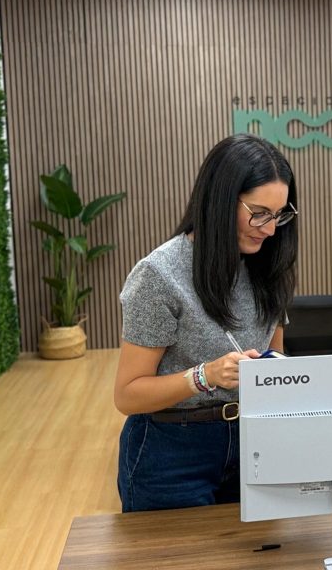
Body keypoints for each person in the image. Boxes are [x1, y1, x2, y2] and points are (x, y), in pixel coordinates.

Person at [114, 134, 298, 512]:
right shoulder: (159, 275)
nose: (270, 229)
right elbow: (128, 394)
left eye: (280, 215)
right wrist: (205, 375)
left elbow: (275, 351)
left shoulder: (269, 266)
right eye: (259, 213)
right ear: (220, 200)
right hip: (171, 453)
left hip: (255, 442)